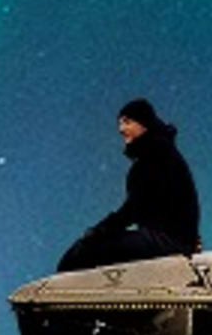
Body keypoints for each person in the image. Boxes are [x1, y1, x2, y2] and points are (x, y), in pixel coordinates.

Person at [56, 98, 202, 270]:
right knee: (97, 246)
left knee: (84, 252)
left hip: (167, 241)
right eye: (119, 123)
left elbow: (134, 208)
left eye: (127, 122)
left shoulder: (156, 155)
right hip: (173, 240)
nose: (121, 129)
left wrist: (99, 231)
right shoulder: (158, 153)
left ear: (143, 124)